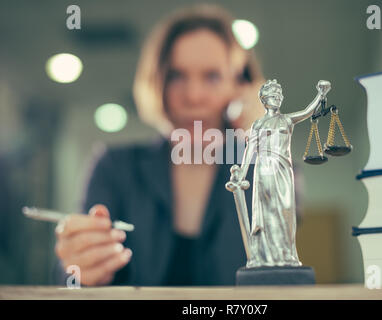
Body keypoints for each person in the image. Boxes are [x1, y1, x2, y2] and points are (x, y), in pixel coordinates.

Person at [54, 4, 303, 286]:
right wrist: (78, 267)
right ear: (158, 82)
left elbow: (273, 272)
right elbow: (66, 278)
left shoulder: (266, 170)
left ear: (241, 85)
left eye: (212, 76)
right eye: (176, 76)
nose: (193, 96)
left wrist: (252, 140)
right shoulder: (114, 168)